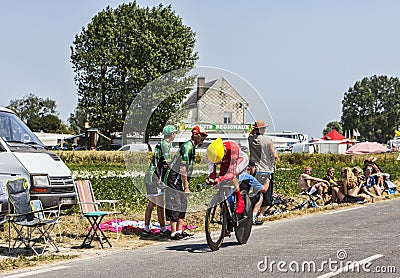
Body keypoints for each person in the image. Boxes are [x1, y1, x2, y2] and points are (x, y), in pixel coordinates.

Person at [165, 125, 207, 240]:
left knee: (183, 204)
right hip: (174, 178)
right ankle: (173, 233)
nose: (204, 138)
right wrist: (186, 187)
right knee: (176, 203)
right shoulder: (187, 147)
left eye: (205, 136)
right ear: (195, 135)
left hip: (182, 179)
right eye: (202, 136)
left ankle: (180, 230)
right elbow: (183, 168)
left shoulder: (193, 147)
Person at [142, 125, 177, 237]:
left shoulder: (160, 143)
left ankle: (146, 229)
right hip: (156, 177)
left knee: (151, 203)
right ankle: (162, 229)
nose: (175, 135)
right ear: (172, 134)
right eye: (175, 133)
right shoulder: (165, 145)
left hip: (150, 175)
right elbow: (167, 163)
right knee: (160, 204)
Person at [206, 137, 249, 215]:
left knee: (232, 177)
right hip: (226, 162)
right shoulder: (211, 152)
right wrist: (210, 178)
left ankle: (239, 199)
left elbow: (231, 174)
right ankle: (227, 207)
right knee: (222, 180)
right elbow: (212, 171)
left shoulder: (233, 149)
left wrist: (220, 178)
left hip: (240, 160)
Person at [247, 120, 278, 217]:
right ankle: (260, 213)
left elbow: (250, 134)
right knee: (266, 193)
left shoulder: (251, 139)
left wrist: (254, 130)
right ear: (262, 129)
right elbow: (275, 155)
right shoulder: (268, 140)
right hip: (266, 170)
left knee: (255, 192)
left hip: (255, 170)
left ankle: (251, 211)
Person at [238, 160, 267, 225]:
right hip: (242, 199)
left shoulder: (236, 174)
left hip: (233, 197)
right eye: (254, 168)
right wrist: (267, 181)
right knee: (260, 195)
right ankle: (253, 218)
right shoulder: (248, 177)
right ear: (251, 168)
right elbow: (264, 189)